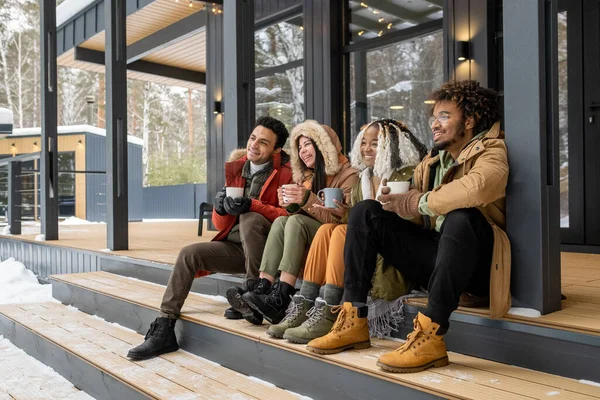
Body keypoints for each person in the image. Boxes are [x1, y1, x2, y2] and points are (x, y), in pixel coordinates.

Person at [306, 80, 511, 375]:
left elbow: (475, 189)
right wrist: (398, 206)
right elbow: (419, 214)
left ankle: (432, 335)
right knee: (367, 212)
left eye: (444, 116)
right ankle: (354, 318)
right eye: (434, 117)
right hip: (439, 261)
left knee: (461, 216)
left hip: (480, 270)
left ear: (469, 120)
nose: (435, 124)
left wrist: (418, 202)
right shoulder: (432, 161)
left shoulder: (492, 150)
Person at [127, 116, 293, 360]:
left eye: (263, 142)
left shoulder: (286, 173)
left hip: (269, 256)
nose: (254, 145)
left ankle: (252, 296)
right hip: (237, 249)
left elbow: (287, 217)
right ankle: (164, 325)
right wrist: (221, 208)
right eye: (253, 138)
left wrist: (252, 205)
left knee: (249, 218)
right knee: (189, 254)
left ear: (277, 150)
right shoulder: (238, 168)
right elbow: (219, 225)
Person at [266, 119, 427, 344]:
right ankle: (308, 304)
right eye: (364, 143)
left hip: (395, 254)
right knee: (327, 230)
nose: (367, 148)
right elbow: (360, 221)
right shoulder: (364, 177)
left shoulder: (408, 174)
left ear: (392, 145)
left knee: (339, 231)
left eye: (375, 142)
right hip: (363, 247)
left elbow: (417, 221)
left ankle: (332, 308)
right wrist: (343, 212)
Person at [237, 120, 358, 325]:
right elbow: (300, 212)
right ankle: (263, 287)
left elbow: (341, 219)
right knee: (283, 221)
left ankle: (282, 296)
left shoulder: (349, 175)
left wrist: (305, 199)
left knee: (295, 223)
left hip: (333, 236)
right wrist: (290, 204)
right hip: (312, 232)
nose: (303, 151)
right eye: (299, 148)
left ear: (323, 145)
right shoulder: (309, 177)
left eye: (308, 145)